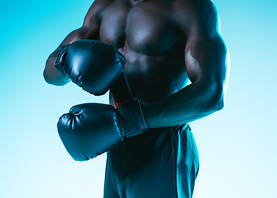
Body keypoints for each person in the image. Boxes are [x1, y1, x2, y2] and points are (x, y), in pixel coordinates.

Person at [43, 0, 230, 197]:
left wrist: (130, 120)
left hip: (162, 144)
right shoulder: (104, 6)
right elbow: (49, 71)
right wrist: (67, 58)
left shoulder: (189, 6)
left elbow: (212, 92)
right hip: (117, 143)